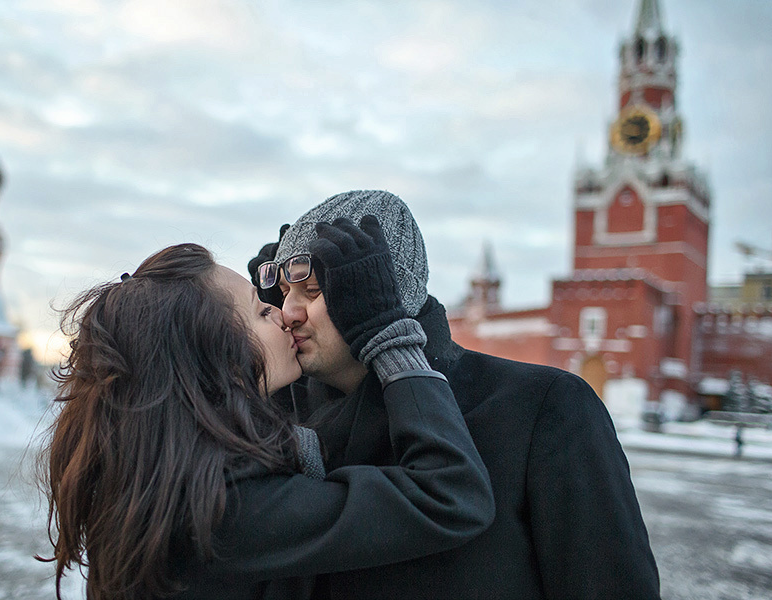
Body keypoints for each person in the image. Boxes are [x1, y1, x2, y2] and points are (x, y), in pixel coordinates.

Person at [250, 190, 661, 599]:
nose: (288, 312)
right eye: (284, 292)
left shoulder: (542, 406)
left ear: (381, 289)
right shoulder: (279, 412)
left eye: (314, 289)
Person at [37, 242, 494, 600]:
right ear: (219, 356)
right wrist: (393, 341)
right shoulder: (225, 510)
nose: (284, 313)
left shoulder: (157, 475)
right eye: (262, 309)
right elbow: (449, 495)